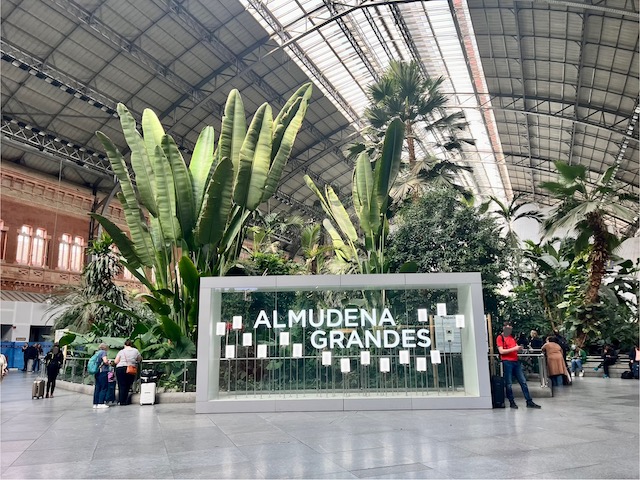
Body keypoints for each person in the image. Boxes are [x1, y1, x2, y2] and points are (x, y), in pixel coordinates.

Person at [497, 323, 542, 409]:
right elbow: (501, 351)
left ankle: (529, 401)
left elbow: (513, 349)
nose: (509, 330)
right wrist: (514, 349)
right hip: (507, 362)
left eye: (510, 329)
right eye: (508, 328)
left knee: (523, 382)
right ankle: (511, 402)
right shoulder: (500, 338)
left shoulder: (511, 338)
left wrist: (518, 349)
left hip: (515, 361)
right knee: (509, 383)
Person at [114, 339, 142, 406]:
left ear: (124, 345)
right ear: (131, 344)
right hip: (131, 368)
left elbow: (116, 361)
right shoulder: (136, 351)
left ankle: (121, 401)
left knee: (121, 385)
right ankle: (125, 400)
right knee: (128, 385)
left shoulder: (121, 351)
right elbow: (139, 359)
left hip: (120, 368)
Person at [92, 343, 111, 409]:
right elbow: (105, 361)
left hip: (97, 371)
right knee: (104, 387)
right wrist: (109, 362)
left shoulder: (97, 353)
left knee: (97, 387)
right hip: (103, 371)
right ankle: (101, 403)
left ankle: (95, 403)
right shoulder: (103, 352)